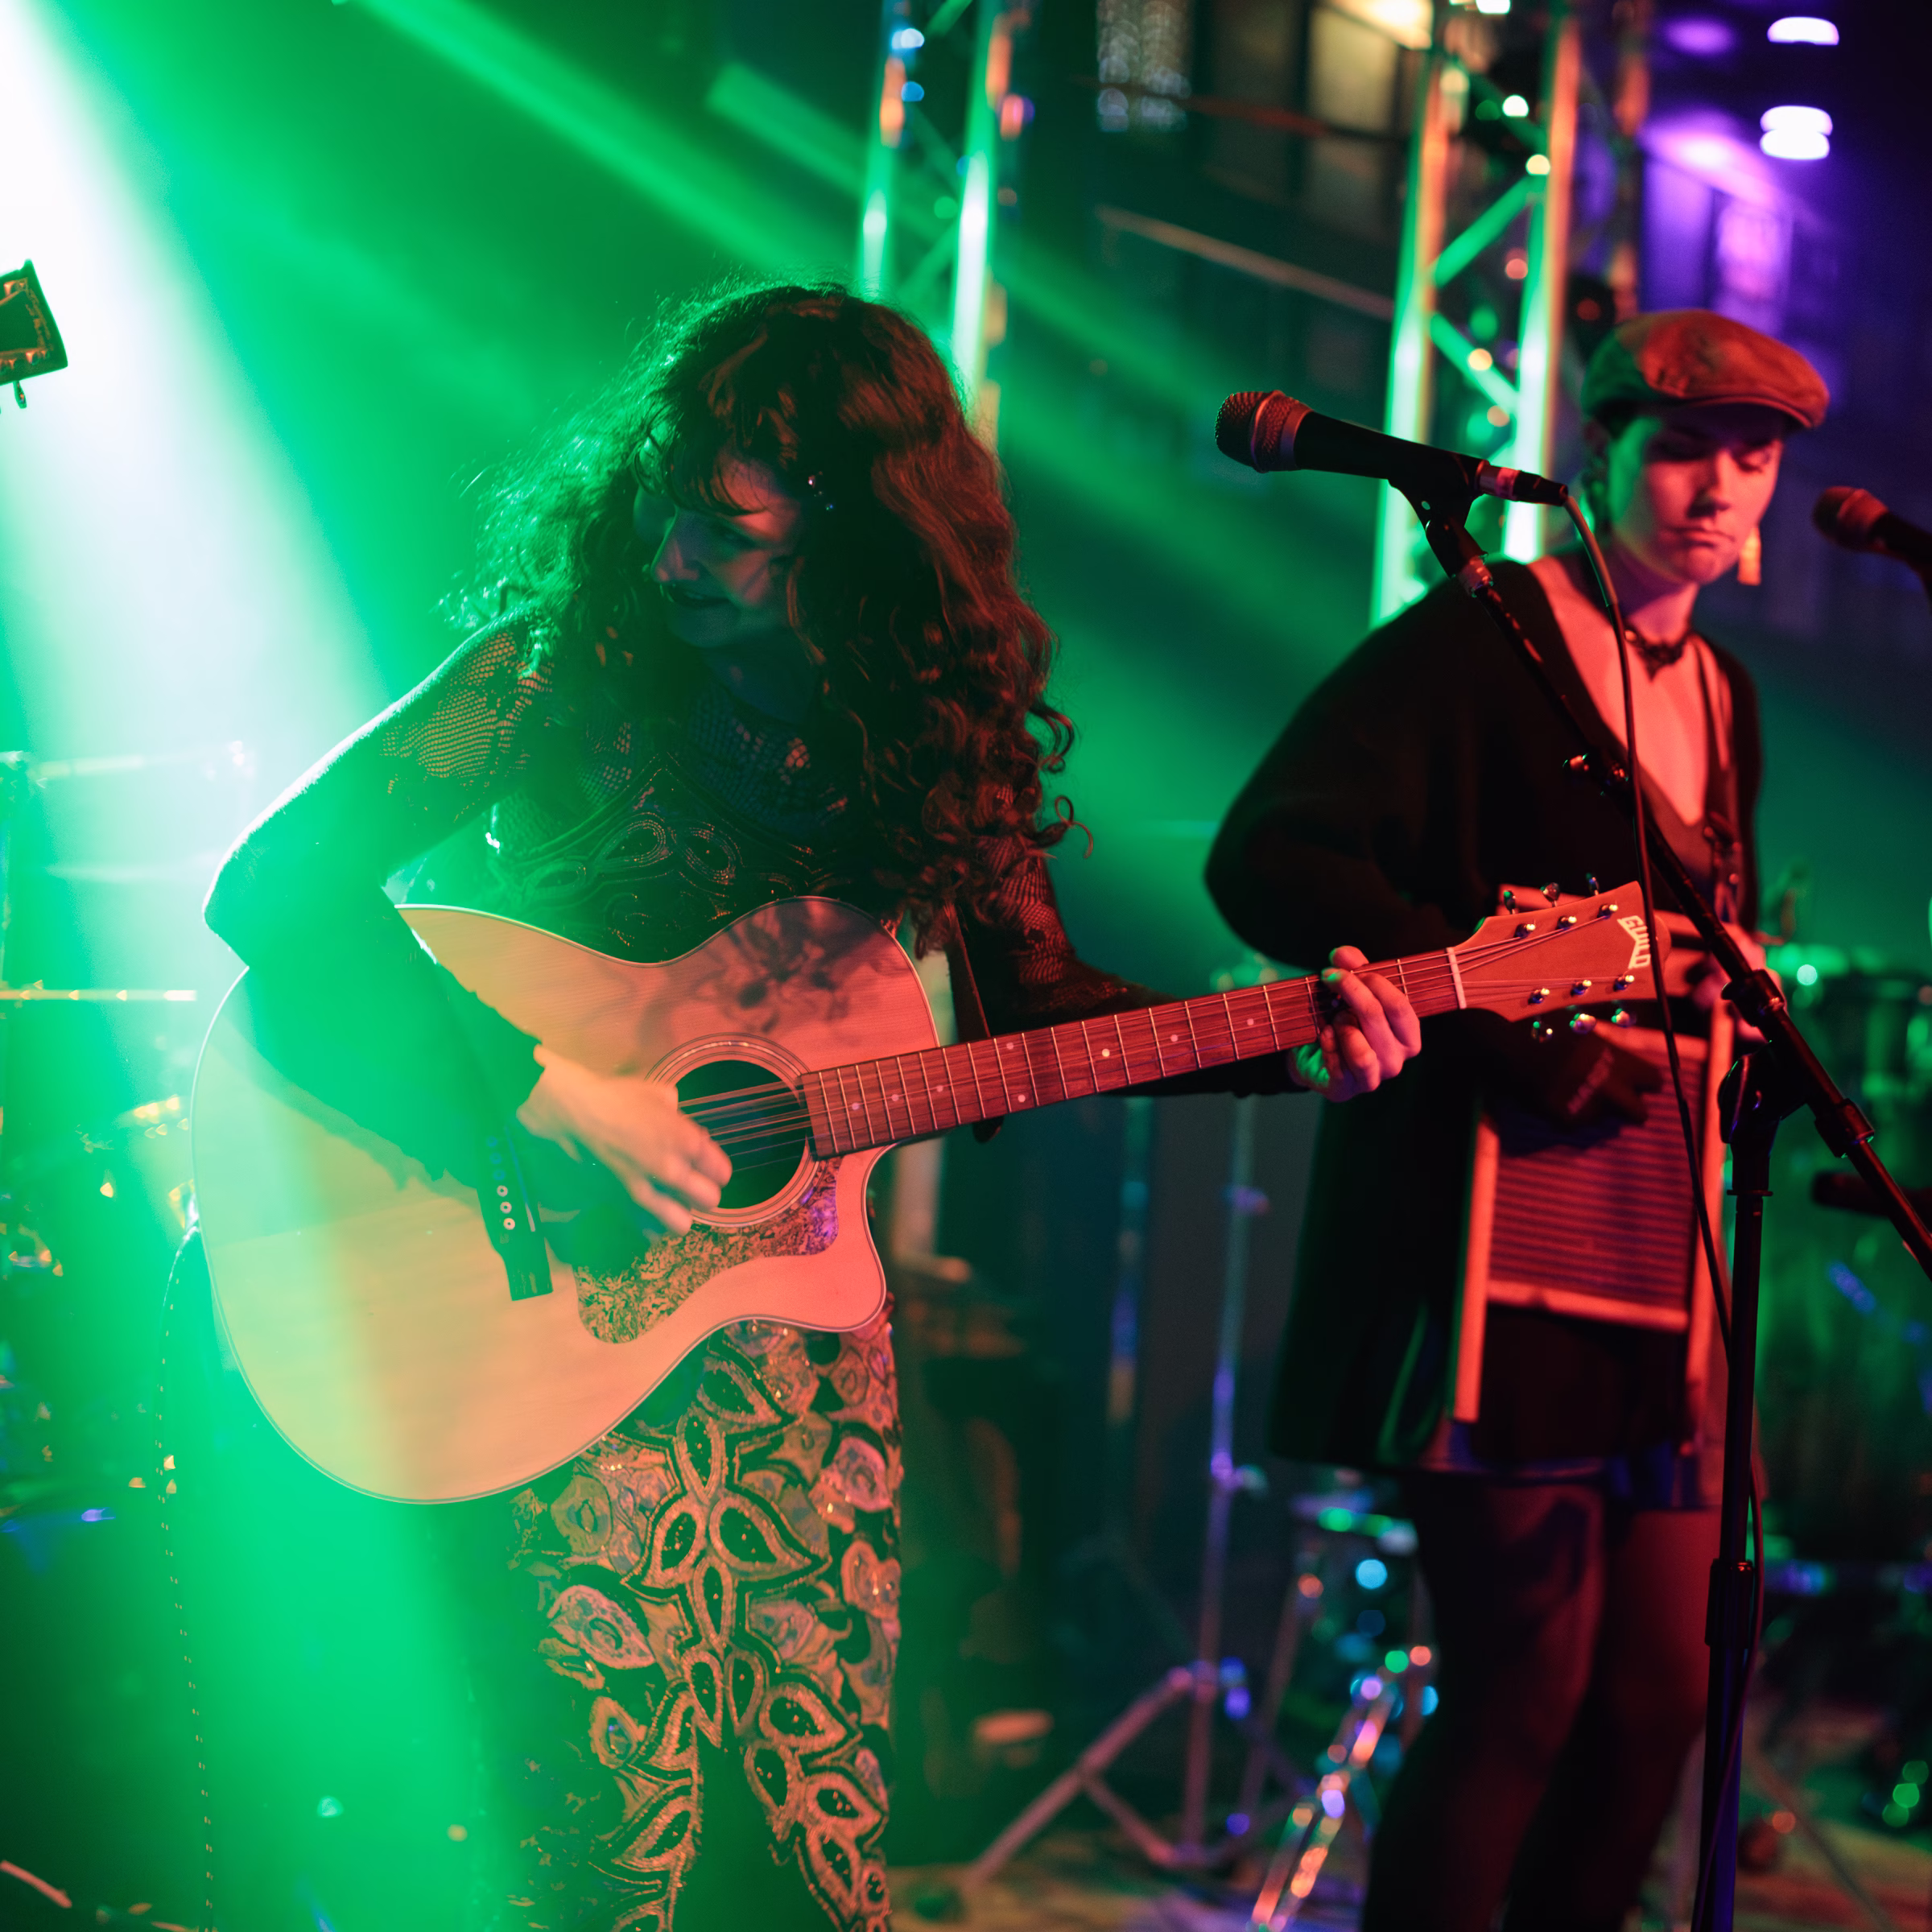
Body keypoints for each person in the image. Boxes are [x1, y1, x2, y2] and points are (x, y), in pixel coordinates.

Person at [201, 283, 1420, 1932]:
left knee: (808, 1845)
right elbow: (274, 885)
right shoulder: (561, 672)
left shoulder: (935, 736)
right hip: (535, 1292)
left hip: (790, 1324)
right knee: (601, 1842)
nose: (673, 557)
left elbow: (1042, 1016)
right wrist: (553, 1092)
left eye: (723, 529)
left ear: (859, 535)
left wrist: (1294, 1046)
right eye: (661, 501)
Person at [1206, 309, 1828, 1932]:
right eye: (1685, 446)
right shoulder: (1482, 638)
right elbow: (1269, 854)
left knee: (1652, 1708)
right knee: (1521, 1700)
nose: (1718, 487)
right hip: (1486, 1247)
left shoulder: (1729, 694)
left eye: (1753, 457)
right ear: (1601, 447)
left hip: (1658, 1245)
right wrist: (1495, 1009)